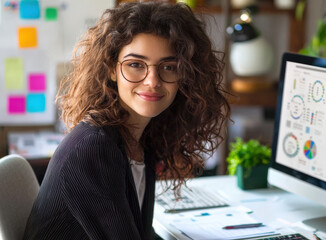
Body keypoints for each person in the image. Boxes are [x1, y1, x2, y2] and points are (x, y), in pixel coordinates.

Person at [23, 1, 230, 239]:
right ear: (111, 68)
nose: (153, 80)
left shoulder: (143, 138)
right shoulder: (93, 148)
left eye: (169, 67)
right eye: (135, 65)